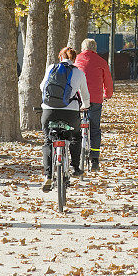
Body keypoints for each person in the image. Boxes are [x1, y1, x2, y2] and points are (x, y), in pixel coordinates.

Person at [40, 46, 90, 192]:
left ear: (60, 57)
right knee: (75, 136)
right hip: (70, 113)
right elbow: (85, 96)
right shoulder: (78, 73)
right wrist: (85, 106)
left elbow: (42, 86)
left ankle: (48, 175)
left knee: (48, 141)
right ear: (74, 59)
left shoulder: (51, 68)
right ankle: (75, 167)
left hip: (49, 112)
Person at [75, 39, 113, 171]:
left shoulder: (77, 59)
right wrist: (107, 94)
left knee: (76, 127)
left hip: (79, 98)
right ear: (95, 48)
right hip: (95, 98)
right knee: (95, 129)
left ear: (82, 48)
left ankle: (76, 155)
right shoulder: (101, 61)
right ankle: (95, 159)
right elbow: (107, 80)